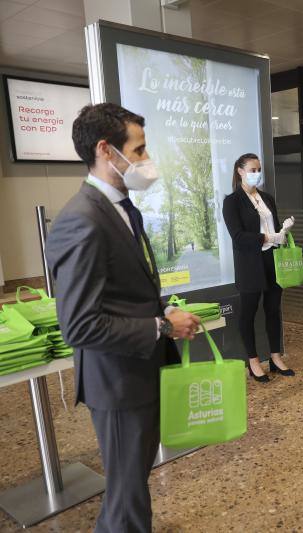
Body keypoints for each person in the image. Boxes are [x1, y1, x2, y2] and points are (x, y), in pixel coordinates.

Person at [46, 103, 201, 533]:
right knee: (125, 496)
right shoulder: (82, 220)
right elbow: (79, 324)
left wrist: (163, 308)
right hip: (116, 382)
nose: (146, 161)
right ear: (105, 150)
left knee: (132, 487)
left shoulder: (121, 208)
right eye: (139, 149)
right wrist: (163, 327)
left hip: (139, 373)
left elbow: (125, 291)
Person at [222, 153, 295, 382]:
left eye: (258, 169)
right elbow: (238, 236)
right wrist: (267, 237)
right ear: (240, 171)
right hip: (250, 264)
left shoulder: (267, 198)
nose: (257, 174)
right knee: (249, 313)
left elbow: (274, 228)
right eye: (252, 169)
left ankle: (275, 357)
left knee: (273, 310)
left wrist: (282, 232)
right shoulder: (232, 202)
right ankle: (253, 361)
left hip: (273, 261)